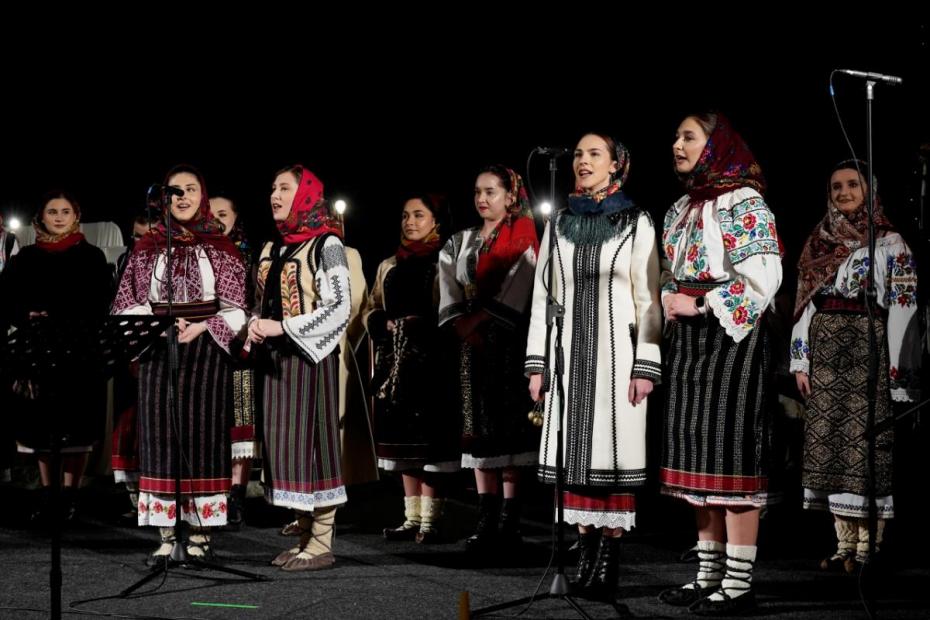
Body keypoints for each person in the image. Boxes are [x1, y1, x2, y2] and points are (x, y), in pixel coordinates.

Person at [525, 134, 661, 598]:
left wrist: (646, 364)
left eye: (594, 154)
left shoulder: (635, 221)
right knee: (573, 455)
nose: (583, 161)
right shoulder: (560, 222)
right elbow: (543, 296)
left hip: (615, 357)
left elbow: (648, 299)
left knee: (611, 456)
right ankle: (583, 554)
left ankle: (608, 559)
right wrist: (538, 363)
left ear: (616, 164)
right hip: (567, 353)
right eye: (579, 154)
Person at [658, 112, 782, 615]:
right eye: (676, 136)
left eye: (688, 136)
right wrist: (671, 299)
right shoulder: (683, 206)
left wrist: (700, 304)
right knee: (697, 457)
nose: (677, 144)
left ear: (716, 145)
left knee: (731, 458)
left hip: (732, 338)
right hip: (689, 340)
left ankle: (738, 581)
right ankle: (707, 573)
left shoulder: (743, 201)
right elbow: (671, 271)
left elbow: (764, 276)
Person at [112, 165, 247, 560]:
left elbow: (238, 307)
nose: (183, 197)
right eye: (175, 191)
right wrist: (158, 326)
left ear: (202, 195)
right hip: (159, 348)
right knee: (159, 437)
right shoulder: (148, 246)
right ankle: (167, 534)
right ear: (163, 197)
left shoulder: (221, 247)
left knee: (203, 438)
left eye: (191, 189)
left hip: (206, 350)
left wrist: (204, 325)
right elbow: (126, 302)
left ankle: (201, 533)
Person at [791, 159, 919, 572]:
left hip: (868, 354)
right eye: (836, 186)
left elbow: (903, 310)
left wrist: (900, 374)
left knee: (864, 449)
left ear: (871, 191)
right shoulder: (820, 241)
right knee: (829, 448)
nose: (843, 193)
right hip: (826, 358)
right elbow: (805, 306)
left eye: (852, 185)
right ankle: (843, 544)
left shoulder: (890, 243)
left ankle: (869, 547)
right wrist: (800, 359)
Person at [249, 165, 350, 571]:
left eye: (285, 188)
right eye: (273, 187)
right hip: (275, 362)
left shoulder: (327, 245)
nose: (275, 194)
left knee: (314, 448)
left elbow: (339, 307)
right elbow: (261, 301)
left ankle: (322, 542)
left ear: (306, 194)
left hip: (311, 360)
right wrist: (255, 323)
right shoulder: (273, 248)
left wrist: (283, 327)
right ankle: (305, 536)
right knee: (286, 451)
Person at [438, 165, 538, 551]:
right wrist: (460, 324)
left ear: (510, 196)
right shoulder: (459, 241)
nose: (482, 199)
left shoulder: (524, 238)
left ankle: (510, 520)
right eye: (478, 192)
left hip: (509, 340)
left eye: (491, 191)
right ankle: (485, 517)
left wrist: (478, 319)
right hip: (469, 344)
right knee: (475, 426)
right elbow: (447, 283)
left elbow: (520, 285)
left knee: (508, 428)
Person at [0, 191, 111, 522]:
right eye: (52, 211)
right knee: (42, 427)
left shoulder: (91, 256)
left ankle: (71, 496)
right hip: (37, 351)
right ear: (41, 217)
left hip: (79, 351)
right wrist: (25, 314)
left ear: (76, 216)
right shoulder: (26, 257)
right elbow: (6, 299)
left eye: (65, 211)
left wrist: (67, 316)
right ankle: (49, 495)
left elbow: (100, 301)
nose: (59, 217)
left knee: (77, 426)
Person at [366, 194, 459, 543]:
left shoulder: (444, 261)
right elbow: (372, 306)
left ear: (436, 220)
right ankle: (411, 518)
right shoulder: (389, 264)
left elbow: (453, 307)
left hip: (432, 361)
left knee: (429, 443)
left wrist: (423, 326)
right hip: (395, 362)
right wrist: (382, 322)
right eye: (406, 215)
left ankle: (431, 521)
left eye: (419, 215)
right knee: (402, 442)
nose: (410, 222)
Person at [210, 193, 258, 529]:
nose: (215, 220)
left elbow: (257, 299)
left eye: (222, 214)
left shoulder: (249, 255)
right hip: (206, 346)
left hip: (241, 347)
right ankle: (212, 494)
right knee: (211, 421)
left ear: (235, 217)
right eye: (210, 214)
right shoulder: (196, 251)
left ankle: (236, 497)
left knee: (241, 419)